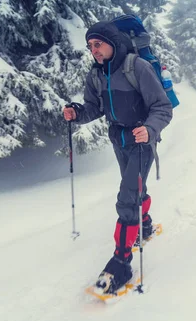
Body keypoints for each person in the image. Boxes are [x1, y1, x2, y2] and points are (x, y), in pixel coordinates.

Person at [63, 21, 172, 294]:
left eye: (98, 44)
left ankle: (121, 262)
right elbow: (93, 108)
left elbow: (162, 107)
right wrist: (77, 114)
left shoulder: (137, 67)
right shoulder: (97, 74)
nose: (94, 50)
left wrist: (149, 130)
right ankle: (144, 226)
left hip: (141, 141)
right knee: (135, 188)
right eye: (90, 46)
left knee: (127, 196)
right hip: (118, 140)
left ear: (112, 42)